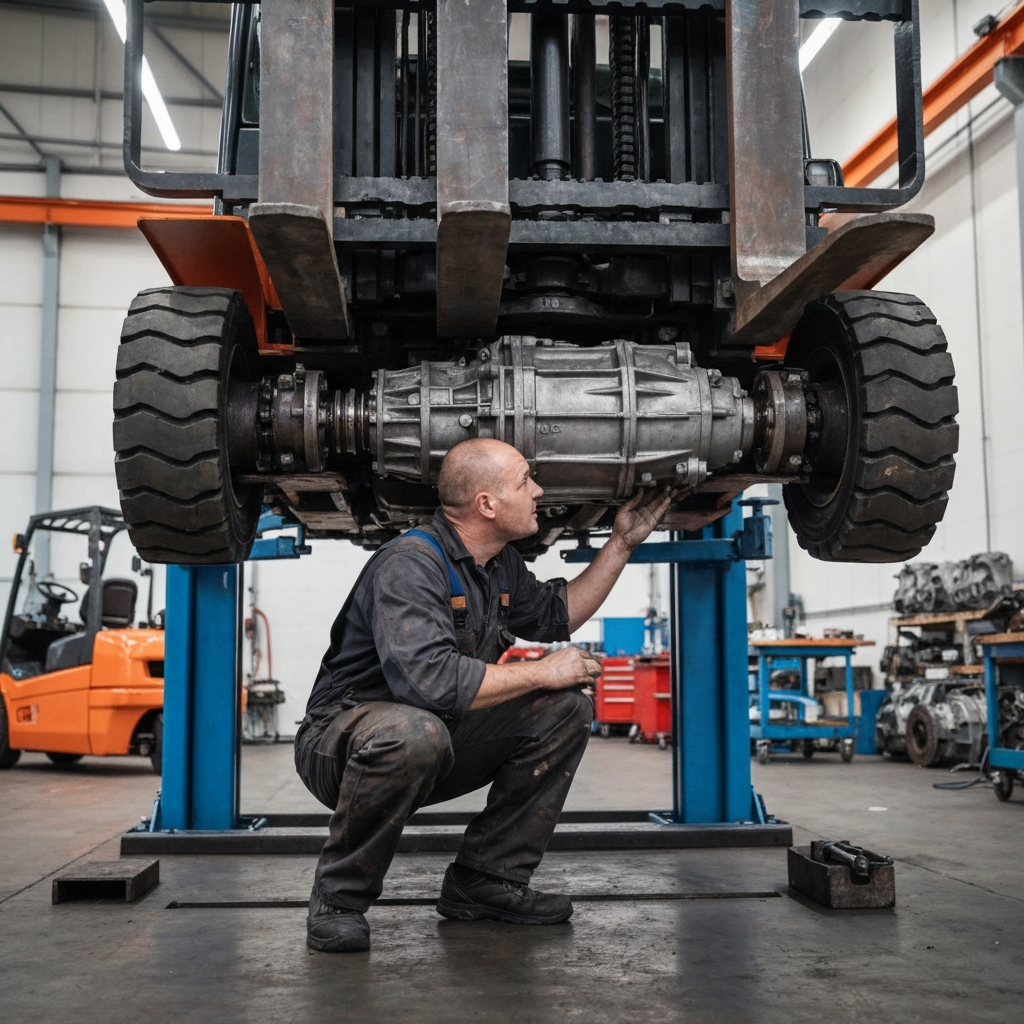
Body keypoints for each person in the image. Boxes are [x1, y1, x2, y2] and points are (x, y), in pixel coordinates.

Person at [294, 438, 673, 952]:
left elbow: (557, 615)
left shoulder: (497, 564)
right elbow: (431, 683)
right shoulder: (411, 564)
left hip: (434, 737)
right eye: (524, 481)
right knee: (414, 731)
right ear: (487, 505)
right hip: (343, 745)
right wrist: (541, 672)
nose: (538, 490)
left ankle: (485, 880)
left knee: (564, 709)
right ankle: (338, 900)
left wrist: (621, 544)